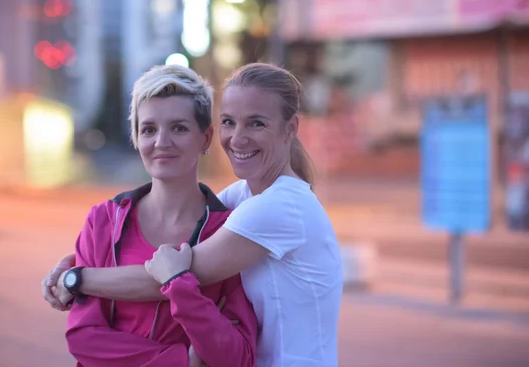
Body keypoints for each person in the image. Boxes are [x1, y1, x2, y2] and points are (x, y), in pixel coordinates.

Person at [44, 63, 344, 367]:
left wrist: (77, 278)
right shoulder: (240, 199)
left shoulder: (279, 206)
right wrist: (76, 258)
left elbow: (169, 275)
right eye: (230, 122)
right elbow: (84, 336)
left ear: (290, 127)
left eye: (256, 123)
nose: (238, 138)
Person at [56, 65, 258, 367]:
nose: (161, 142)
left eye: (178, 128)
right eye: (149, 129)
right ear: (136, 137)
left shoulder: (229, 232)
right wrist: (180, 361)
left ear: (205, 138)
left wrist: (181, 287)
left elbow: (237, 355)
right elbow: (84, 338)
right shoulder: (103, 223)